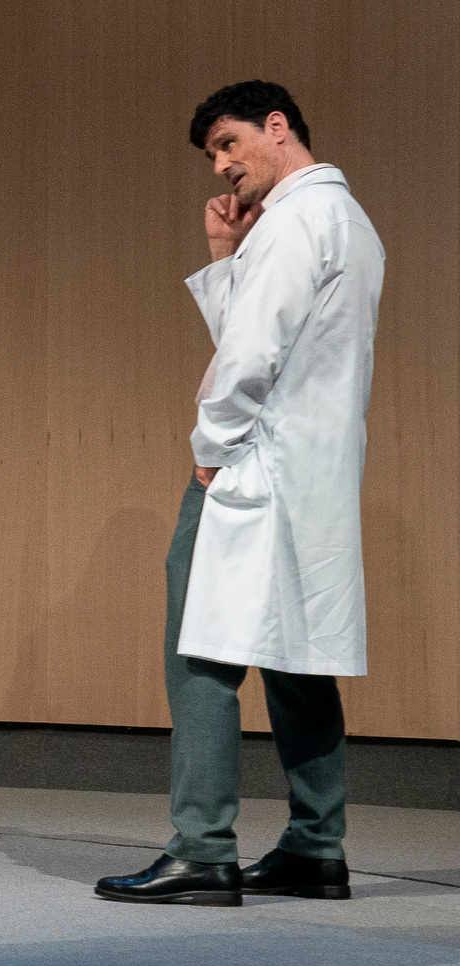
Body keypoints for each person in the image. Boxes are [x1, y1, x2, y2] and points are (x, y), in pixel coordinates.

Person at [96, 81, 383, 906]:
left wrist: (211, 450)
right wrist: (227, 258)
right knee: (297, 659)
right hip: (315, 468)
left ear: (277, 126)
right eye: (213, 154)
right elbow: (266, 336)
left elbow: (251, 355)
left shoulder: (295, 220)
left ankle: (201, 849)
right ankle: (316, 847)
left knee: (199, 652)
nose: (222, 166)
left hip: (256, 464)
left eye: (228, 143)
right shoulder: (347, 219)